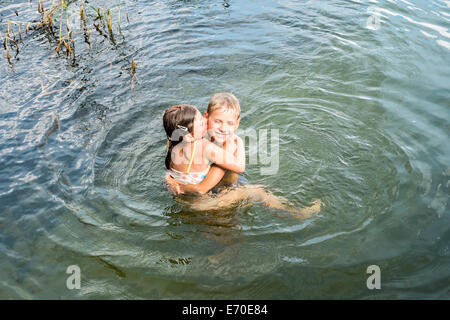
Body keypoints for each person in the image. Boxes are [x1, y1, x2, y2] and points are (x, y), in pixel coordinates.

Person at [165, 94, 323, 219]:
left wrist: (171, 182)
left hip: (185, 200)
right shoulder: (205, 146)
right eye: (201, 122)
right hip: (204, 202)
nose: (205, 124)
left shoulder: (173, 144)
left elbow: (174, 173)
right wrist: (238, 142)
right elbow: (240, 167)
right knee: (257, 191)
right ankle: (297, 214)